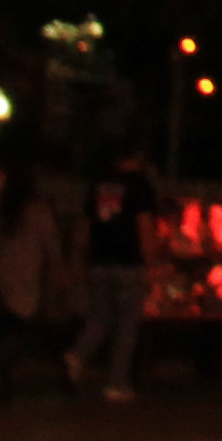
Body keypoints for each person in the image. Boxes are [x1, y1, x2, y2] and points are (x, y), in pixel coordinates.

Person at [0, 162, 71, 401]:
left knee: (0, 326)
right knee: (25, 327)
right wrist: (58, 271)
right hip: (24, 276)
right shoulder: (37, 212)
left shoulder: (2, 212)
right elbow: (51, 246)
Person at [76, 149, 156, 402]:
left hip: (99, 259)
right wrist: (150, 263)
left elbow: (85, 224)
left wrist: (82, 258)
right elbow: (143, 226)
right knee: (126, 325)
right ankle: (116, 383)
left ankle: (77, 355)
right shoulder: (140, 185)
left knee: (99, 316)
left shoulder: (100, 184)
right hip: (128, 261)